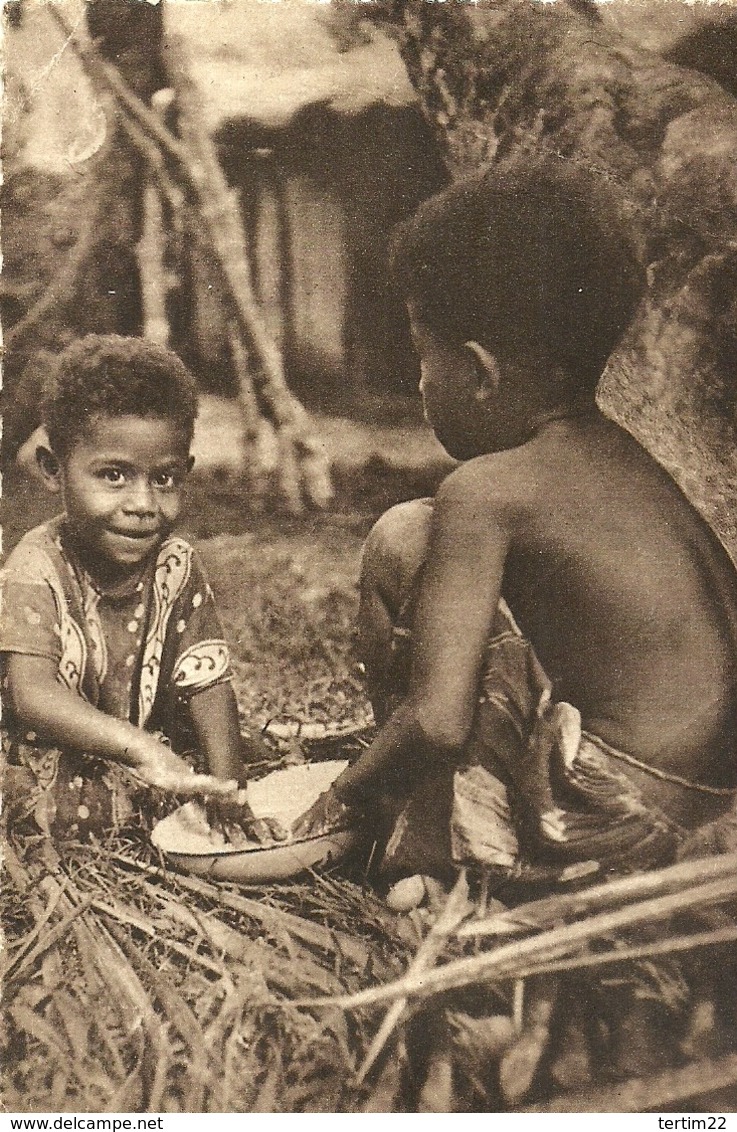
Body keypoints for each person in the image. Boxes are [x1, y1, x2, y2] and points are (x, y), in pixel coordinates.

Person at [293, 156, 737, 887]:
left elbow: (436, 721)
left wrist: (336, 797)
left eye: (421, 357)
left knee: (404, 537)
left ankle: (413, 832)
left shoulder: (486, 492)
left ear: (478, 371)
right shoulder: (629, 462)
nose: (420, 382)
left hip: (621, 822)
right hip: (717, 817)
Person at [1, 334, 283, 842]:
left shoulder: (175, 564)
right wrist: (142, 749)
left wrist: (228, 788)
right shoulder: (35, 564)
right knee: (44, 799)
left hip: (141, 749)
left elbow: (208, 680)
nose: (143, 503)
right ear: (52, 469)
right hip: (49, 752)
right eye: (113, 475)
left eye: (165, 478)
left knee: (225, 766)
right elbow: (32, 695)